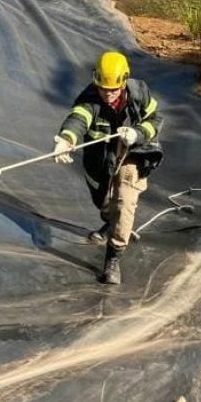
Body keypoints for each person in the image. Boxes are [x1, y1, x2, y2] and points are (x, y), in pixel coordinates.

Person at [53, 51, 163, 285]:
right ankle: (109, 221)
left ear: (124, 82)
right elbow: (78, 119)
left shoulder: (139, 93)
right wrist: (66, 140)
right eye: (103, 88)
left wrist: (138, 133)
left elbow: (155, 119)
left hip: (133, 153)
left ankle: (113, 257)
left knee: (124, 201)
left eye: (113, 90)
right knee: (104, 203)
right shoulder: (89, 98)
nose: (108, 94)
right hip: (101, 160)